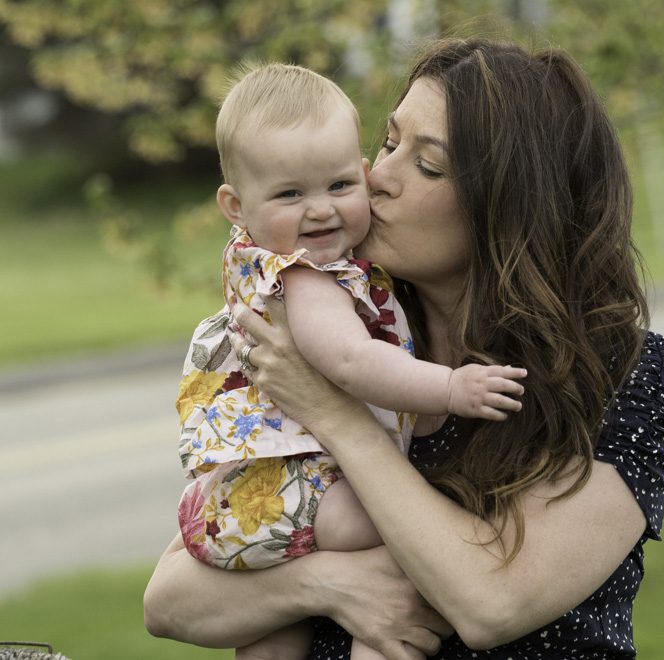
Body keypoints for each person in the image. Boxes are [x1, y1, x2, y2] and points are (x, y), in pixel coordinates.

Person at [145, 38, 664, 659]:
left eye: (427, 165)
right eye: (388, 142)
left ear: (510, 206)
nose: (378, 178)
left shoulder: (612, 374)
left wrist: (336, 416)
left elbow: (491, 603)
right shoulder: (348, 322)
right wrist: (325, 585)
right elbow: (169, 599)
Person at [174, 62, 527, 660]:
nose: (320, 212)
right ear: (236, 205)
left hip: (245, 497)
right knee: (409, 552)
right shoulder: (306, 277)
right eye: (290, 195)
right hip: (296, 489)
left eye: (340, 186)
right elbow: (349, 359)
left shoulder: (265, 253)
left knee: (273, 629)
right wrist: (450, 387)